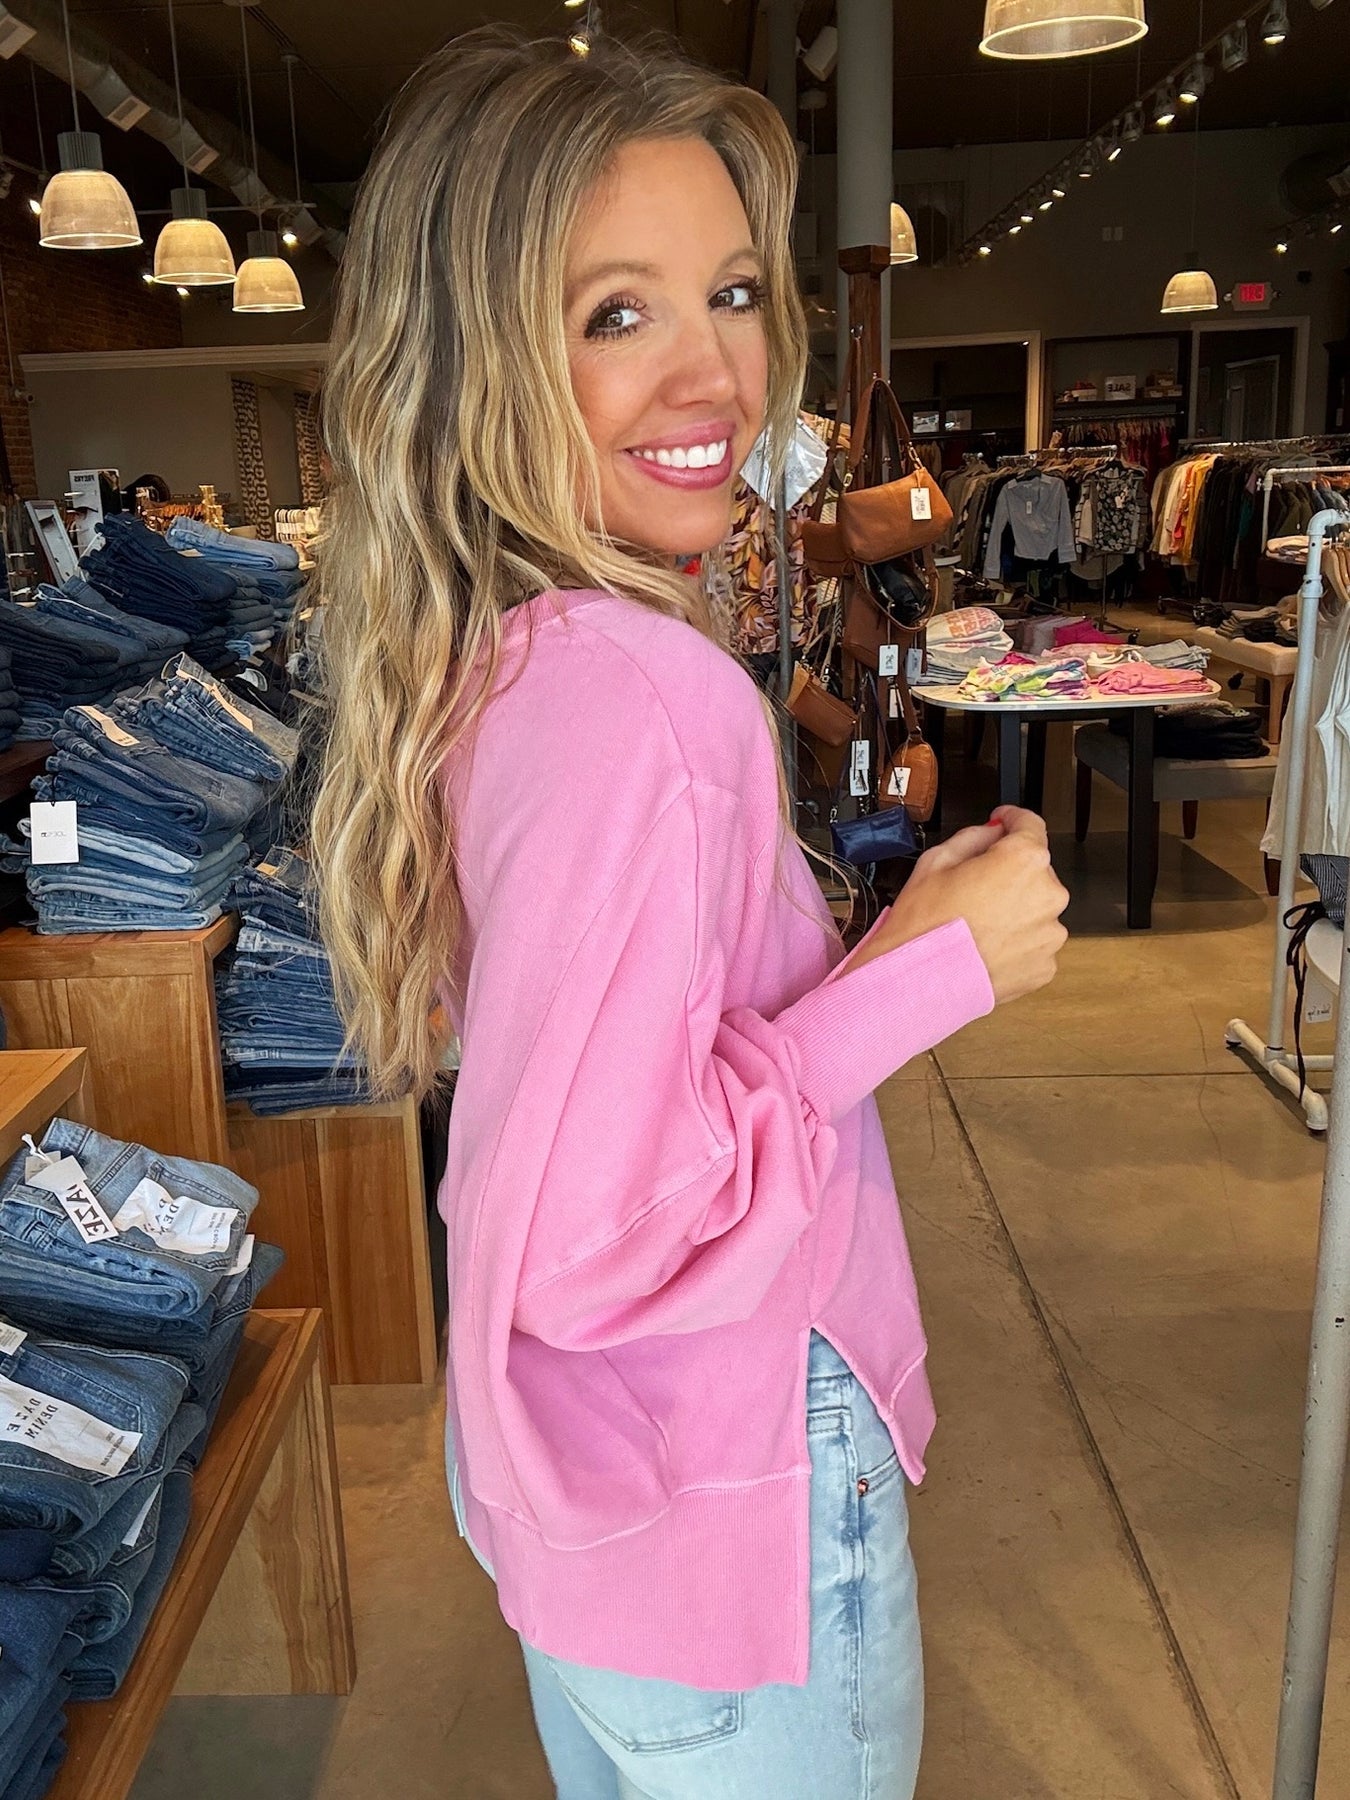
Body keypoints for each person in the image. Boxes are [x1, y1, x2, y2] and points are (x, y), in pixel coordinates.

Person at [311, 27, 1068, 1800]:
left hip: (602, 1511)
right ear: (479, 359)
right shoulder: (638, 696)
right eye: (612, 314)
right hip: (723, 1488)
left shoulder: (492, 661)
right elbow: (599, 1228)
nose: (711, 369)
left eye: (728, 292)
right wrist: (923, 973)